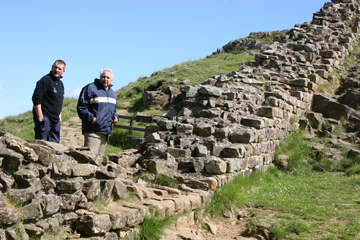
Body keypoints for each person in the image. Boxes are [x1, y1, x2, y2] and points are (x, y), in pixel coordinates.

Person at [77, 68, 119, 155]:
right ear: (100, 77)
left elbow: (113, 110)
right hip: (92, 131)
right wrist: (93, 119)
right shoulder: (90, 88)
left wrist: (115, 117)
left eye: (108, 77)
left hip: (105, 133)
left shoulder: (112, 93)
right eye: (104, 77)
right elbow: (81, 107)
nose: (106, 79)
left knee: (99, 162)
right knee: (89, 159)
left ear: (112, 80)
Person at [32, 60, 66, 143]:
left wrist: (59, 115)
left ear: (63, 71)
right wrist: (40, 116)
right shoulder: (45, 80)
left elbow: (60, 100)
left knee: (55, 148)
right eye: (55, 67)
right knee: (42, 145)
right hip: (45, 118)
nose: (57, 70)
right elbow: (36, 98)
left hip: (55, 120)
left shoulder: (60, 84)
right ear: (52, 67)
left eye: (59, 68)